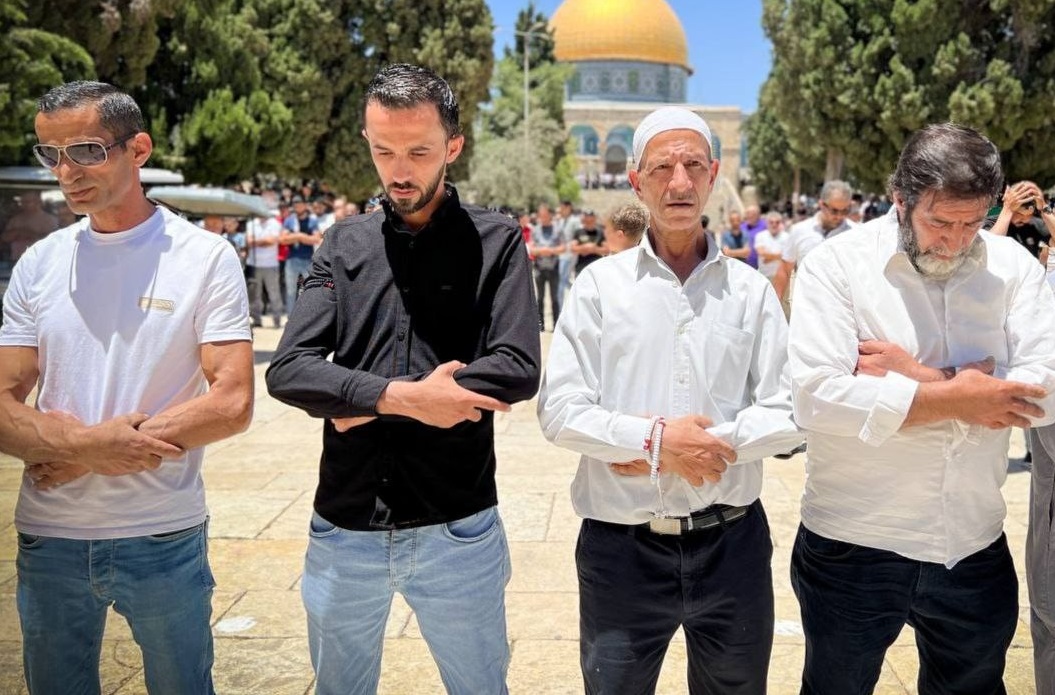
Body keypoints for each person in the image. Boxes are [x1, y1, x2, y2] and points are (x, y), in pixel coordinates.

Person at [264, 63, 541, 695]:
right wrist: (400, 397)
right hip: (345, 528)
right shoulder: (342, 243)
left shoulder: (497, 241)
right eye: (383, 150)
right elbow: (290, 369)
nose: (399, 170)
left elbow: (517, 367)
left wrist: (351, 394)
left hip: (458, 529)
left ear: (453, 146)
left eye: (418, 151)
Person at [0, 80, 253, 694]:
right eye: (51, 154)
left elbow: (232, 402)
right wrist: (86, 448)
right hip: (50, 536)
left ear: (138, 149)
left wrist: (89, 450)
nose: (67, 171)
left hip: (161, 533)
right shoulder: (39, 263)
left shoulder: (203, 257)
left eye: (86, 151)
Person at [538, 106, 801, 694]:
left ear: (713, 176)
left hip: (732, 546)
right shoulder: (599, 287)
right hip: (621, 551)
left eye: (693, 167)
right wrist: (658, 442)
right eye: (662, 168)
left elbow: (789, 409)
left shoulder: (750, 292)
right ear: (636, 181)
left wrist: (682, 447)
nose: (679, 182)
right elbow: (560, 409)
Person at [786, 123, 1055, 694]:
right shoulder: (837, 267)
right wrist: (964, 394)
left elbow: (1047, 390)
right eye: (939, 223)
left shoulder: (1013, 267)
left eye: (972, 223)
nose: (955, 242)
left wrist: (925, 379)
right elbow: (817, 397)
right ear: (900, 199)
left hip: (972, 545)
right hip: (853, 545)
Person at [772, 179, 855, 303]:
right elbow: (785, 269)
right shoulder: (799, 230)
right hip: (807, 307)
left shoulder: (856, 233)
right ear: (821, 204)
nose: (839, 216)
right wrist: (774, 304)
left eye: (845, 211)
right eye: (834, 211)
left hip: (843, 308)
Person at [985, 179, 1055, 262]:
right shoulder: (993, 222)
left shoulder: (1032, 227)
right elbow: (990, 248)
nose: (1025, 220)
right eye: (1020, 214)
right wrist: (1007, 208)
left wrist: (1043, 207)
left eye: (1029, 215)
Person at [245, 204, 285, 329]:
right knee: (255, 294)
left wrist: (257, 242)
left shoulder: (275, 223)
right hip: (254, 264)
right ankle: (256, 319)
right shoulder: (251, 223)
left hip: (270, 265)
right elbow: (249, 241)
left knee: (274, 293)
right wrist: (264, 241)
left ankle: (277, 320)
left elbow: (272, 241)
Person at [280, 194, 320, 313]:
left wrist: (297, 236)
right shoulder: (289, 220)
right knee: (290, 292)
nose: (296, 206)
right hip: (291, 259)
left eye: (299, 203)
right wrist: (301, 236)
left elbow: (316, 239)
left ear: (305, 205)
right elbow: (282, 239)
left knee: (309, 290)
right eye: (294, 204)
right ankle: (290, 318)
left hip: (307, 260)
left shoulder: (312, 220)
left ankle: (308, 317)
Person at [529, 203, 564, 331]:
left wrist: (551, 251)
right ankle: (540, 325)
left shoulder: (558, 229)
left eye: (545, 215)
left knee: (554, 298)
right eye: (540, 215)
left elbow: (563, 247)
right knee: (540, 298)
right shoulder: (535, 230)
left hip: (554, 268)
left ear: (550, 215)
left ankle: (556, 325)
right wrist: (542, 251)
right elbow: (531, 249)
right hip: (539, 268)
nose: (542, 217)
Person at [1, 191, 57, 261]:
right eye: (22, 202)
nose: (23, 204)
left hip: (41, 260)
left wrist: (29, 234)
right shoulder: (15, 219)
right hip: (16, 260)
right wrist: (16, 232)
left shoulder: (49, 219)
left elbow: (53, 241)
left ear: (38, 202)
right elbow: (4, 238)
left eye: (27, 201)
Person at [752, 210, 789, 284]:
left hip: (782, 277)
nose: (774, 225)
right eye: (771, 222)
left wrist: (768, 259)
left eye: (777, 222)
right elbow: (761, 253)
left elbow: (787, 256)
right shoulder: (760, 235)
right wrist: (779, 256)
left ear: (780, 223)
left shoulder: (787, 237)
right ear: (767, 223)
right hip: (764, 276)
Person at [569, 208, 605, 273]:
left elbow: (607, 250)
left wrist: (594, 249)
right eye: (587, 219)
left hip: (597, 268)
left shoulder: (600, 232)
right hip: (581, 268)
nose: (589, 221)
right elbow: (573, 249)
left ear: (595, 219)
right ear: (584, 220)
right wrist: (585, 247)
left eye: (591, 220)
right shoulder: (578, 232)